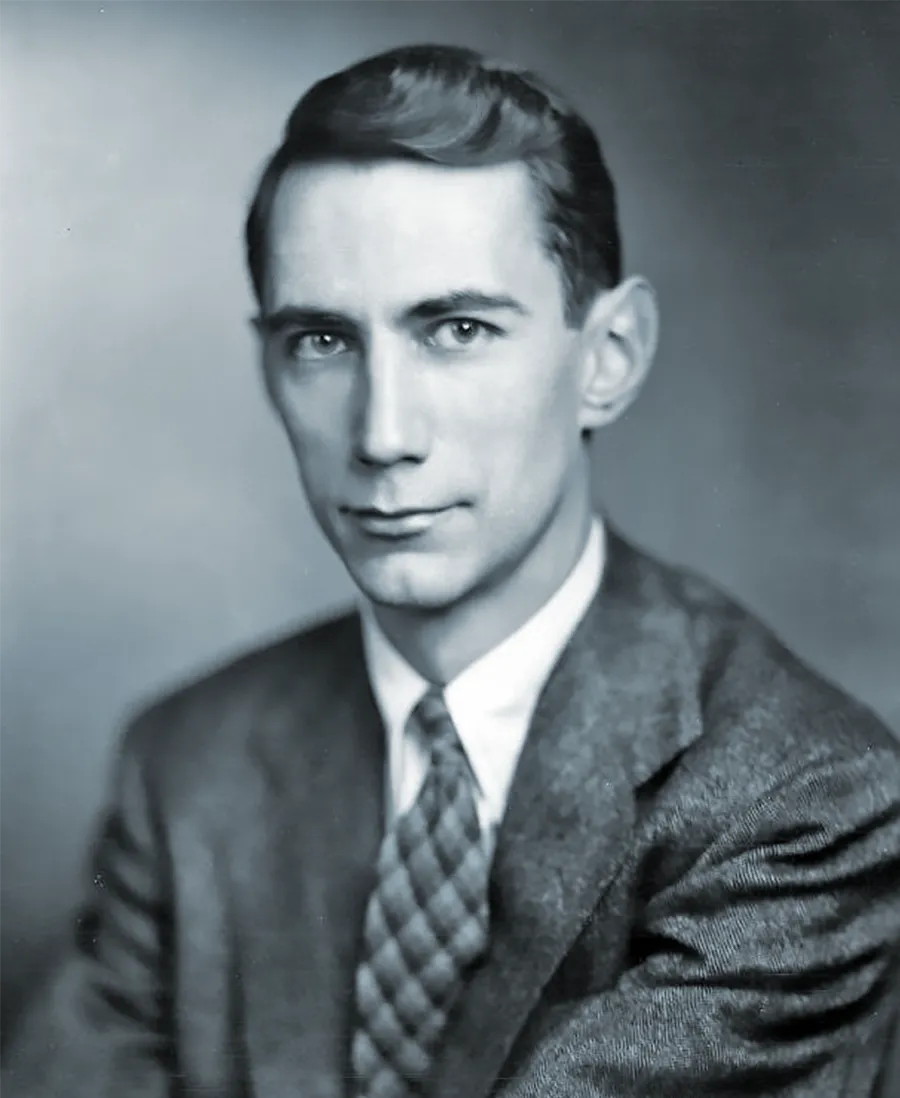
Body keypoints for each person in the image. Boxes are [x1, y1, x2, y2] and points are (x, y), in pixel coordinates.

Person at [2, 42, 900, 1098]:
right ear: (267, 366)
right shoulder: (187, 763)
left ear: (608, 358)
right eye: (324, 342)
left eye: (458, 329)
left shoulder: (808, 798)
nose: (383, 434)